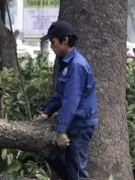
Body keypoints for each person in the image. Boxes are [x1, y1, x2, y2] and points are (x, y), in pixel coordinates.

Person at [34, 20, 98, 180]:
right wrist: (45, 113)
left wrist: (61, 131)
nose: (51, 46)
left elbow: (71, 100)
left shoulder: (76, 65)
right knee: (55, 158)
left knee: (77, 171)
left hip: (80, 124)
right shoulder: (65, 63)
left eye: (53, 42)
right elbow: (60, 95)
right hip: (71, 121)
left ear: (65, 41)